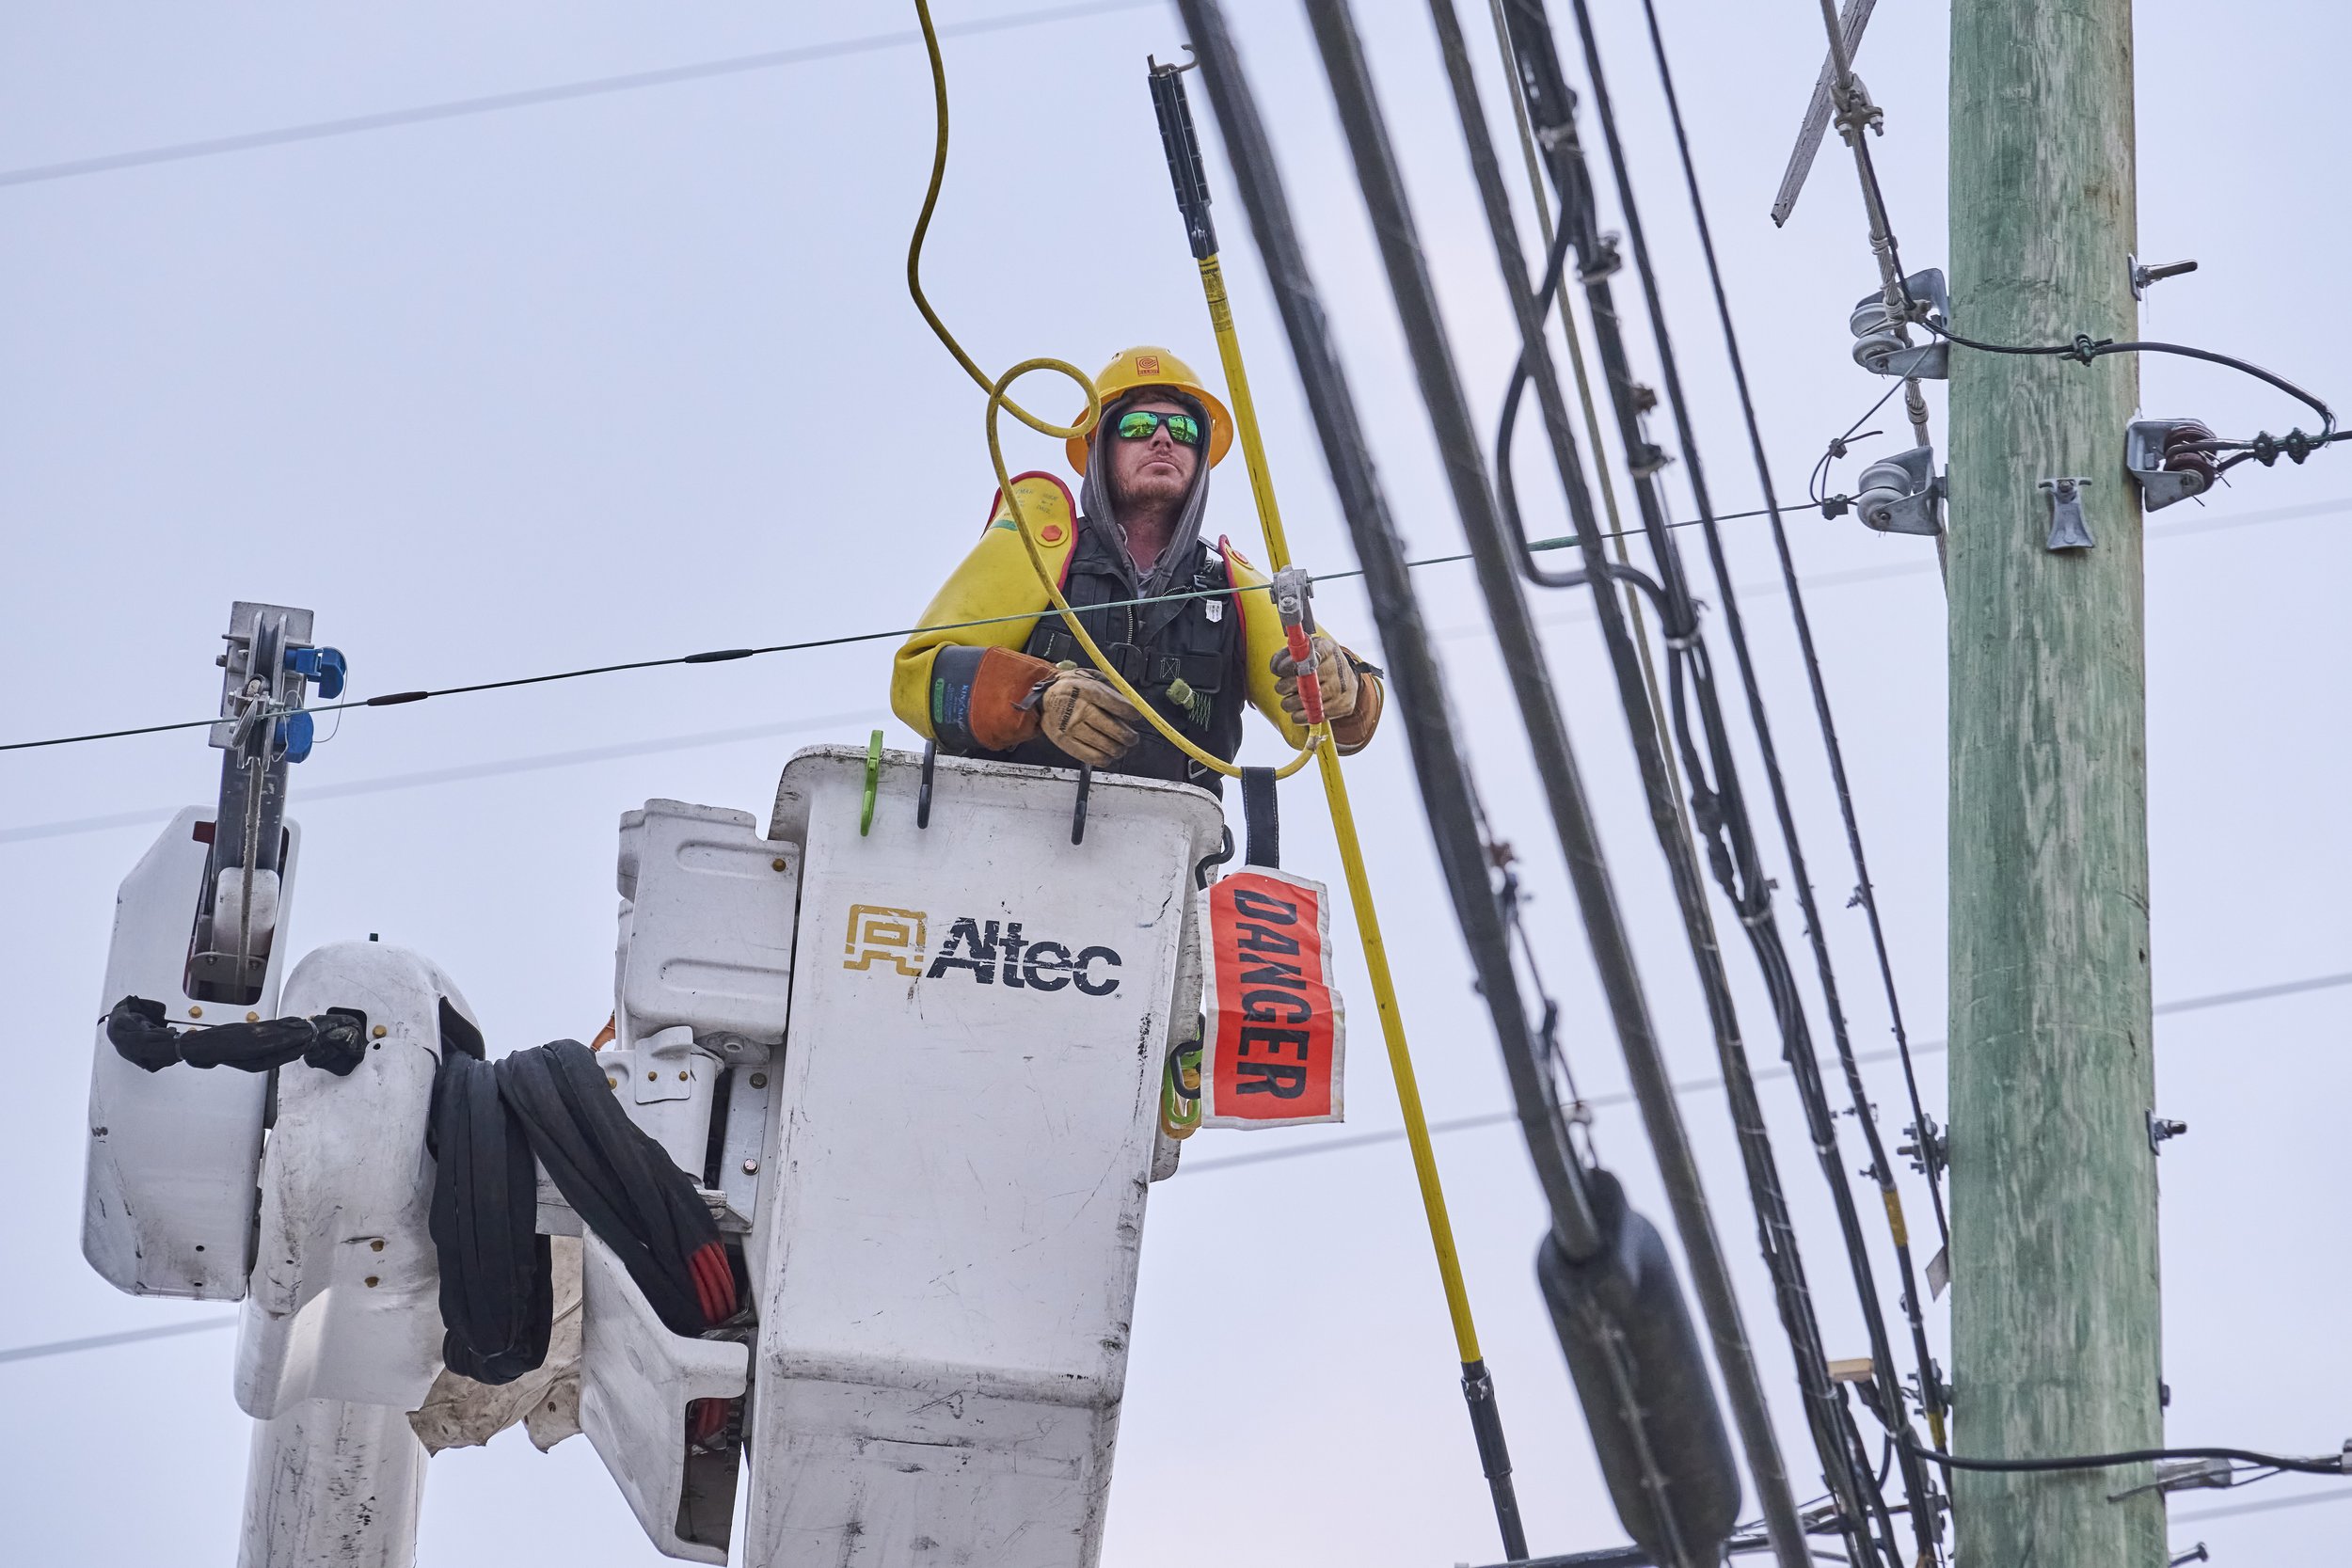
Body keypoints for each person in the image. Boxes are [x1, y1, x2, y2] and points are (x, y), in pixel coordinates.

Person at [891, 345, 1383, 790]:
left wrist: (1343, 690)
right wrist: (1036, 697)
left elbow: (1343, 723)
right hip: (1004, 829)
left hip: (1168, 848)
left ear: (1201, 457)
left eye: (1184, 430)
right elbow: (916, 679)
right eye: (1138, 426)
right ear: (1100, 448)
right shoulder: (1041, 552)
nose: (1163, 438)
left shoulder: (1232, 590)